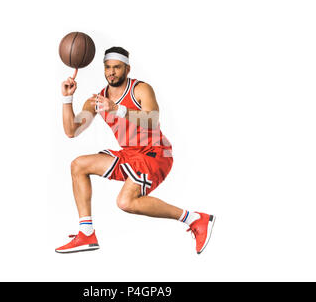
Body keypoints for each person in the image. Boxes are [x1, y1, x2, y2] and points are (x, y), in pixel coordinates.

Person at [56, 47, 215, 254]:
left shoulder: (140, 89)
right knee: (78, 165)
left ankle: (194, 218)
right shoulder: (98, 100)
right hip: (131, 155)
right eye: (107, 67)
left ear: (127, 69)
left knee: (125, 202)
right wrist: (67, 99)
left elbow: (153, 120)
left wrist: (118, 110)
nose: (111, 72)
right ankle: (86, 233)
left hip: (156, 153)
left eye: (117, 67)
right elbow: (71, 131)